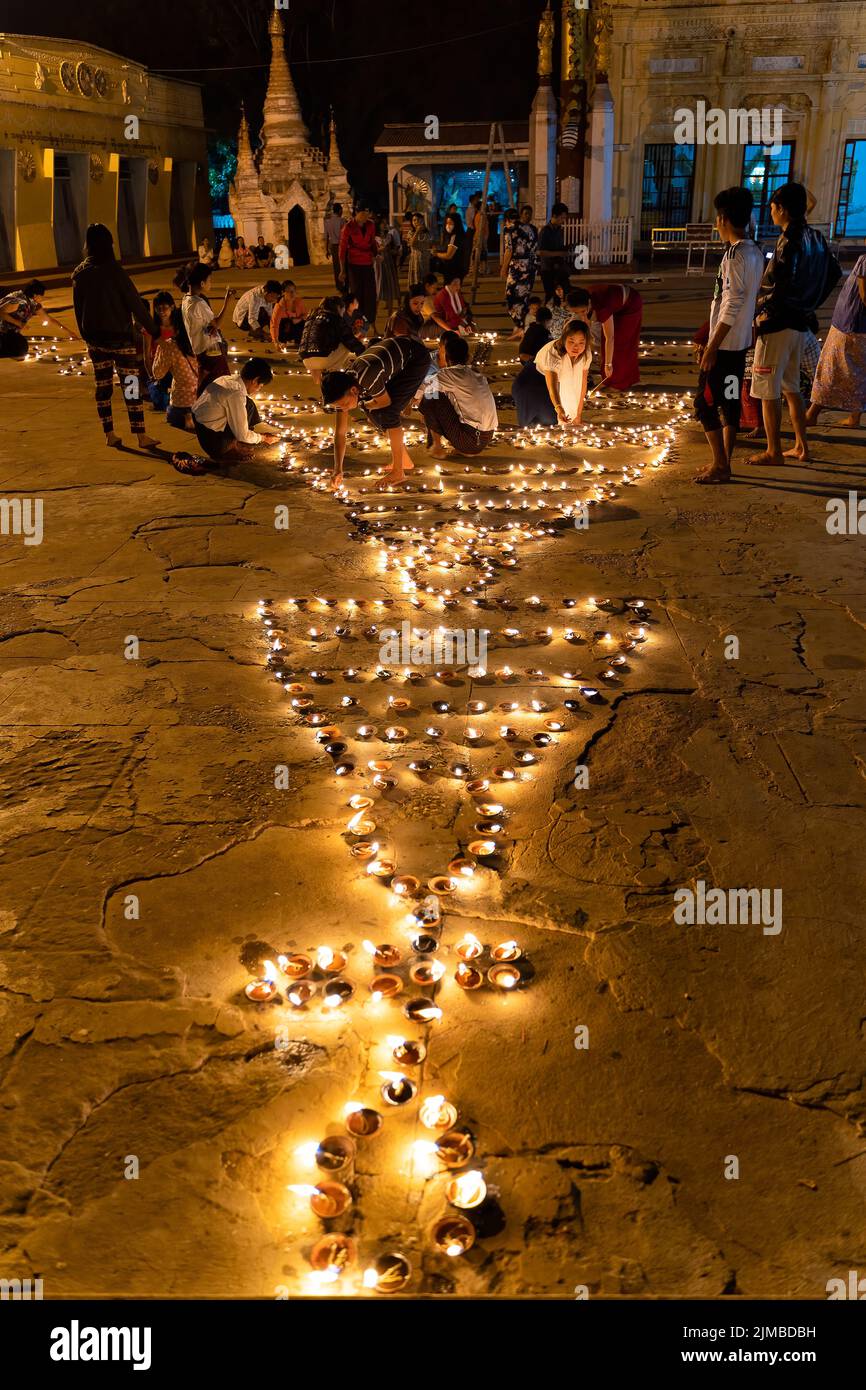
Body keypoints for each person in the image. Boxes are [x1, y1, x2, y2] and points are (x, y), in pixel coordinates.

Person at [747, 181, 841, 466]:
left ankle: (773, 450)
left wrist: (760, 307)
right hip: (799, 323)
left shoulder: (790, 241)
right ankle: (802, 446)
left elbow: (781, 284)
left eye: (773, 208)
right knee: (790, 386)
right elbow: (834, 273)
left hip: (777, 324)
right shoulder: (816, 236)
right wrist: (810, 303)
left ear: (783, 209)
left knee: (767, 389)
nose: (771, 213)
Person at [693, 186, 766, 484]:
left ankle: (720, 464)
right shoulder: (755, 251)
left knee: (705, 403)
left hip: (724, 346)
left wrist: (712, 346)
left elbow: (732, 304)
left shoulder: (735, 256)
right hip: (739, 344)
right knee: (730, 400)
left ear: (723, 218)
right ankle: (723, 462)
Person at [71, 222, 159, 449]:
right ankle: (140, 436)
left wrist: (86, 335)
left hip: (96, 341)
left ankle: (109, 434)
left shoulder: (80, 274)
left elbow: (77, 308)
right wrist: (153, 329)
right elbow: (136, 305)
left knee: (103, 388)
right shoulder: (115, 271)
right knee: (130, 386)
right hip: (121, 340)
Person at [321, 335, 432, 488]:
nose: (344, 408)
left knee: (388, 412)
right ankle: (404, 460)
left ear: (353, 390)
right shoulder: (344, 387)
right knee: (374, 412)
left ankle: (398, 472)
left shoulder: (367, 376)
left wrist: (367, 405)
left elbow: (385, 402)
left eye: (345, 404)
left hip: (415, 359)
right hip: (394, 361)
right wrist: (337, 469)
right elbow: (340, 433)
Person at [806, 253, 866, 430]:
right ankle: (854, 417)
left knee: (831, 370)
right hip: (853, 323)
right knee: (860, 372)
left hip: (849, 324)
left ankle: (812, 414)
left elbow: (865, 296)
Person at [418, 330, 497, 457]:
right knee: (439, 394)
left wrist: (410, 404)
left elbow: (422, 390)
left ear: (447, 358)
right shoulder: (476, 373)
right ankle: (462, 448)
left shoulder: (448, 374)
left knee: (430, 398)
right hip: (486, 437)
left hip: (470, 440)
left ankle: (436, 447)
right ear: (468, 357)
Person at [192, 356, 281, 462]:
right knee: (244, 417)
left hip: (201, 426)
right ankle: (229, 449)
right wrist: (263, 438)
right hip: (213, 441)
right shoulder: (235, 393)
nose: (258, 390)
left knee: (249, 404)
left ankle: (237, 443)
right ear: (255, 380)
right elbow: (242, 435)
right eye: (260, 386)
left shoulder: (227, 379)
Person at [566, 283, 643, 390]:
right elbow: (578, 320)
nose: (582, 315)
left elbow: (610, 338)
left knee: (620, 344)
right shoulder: (583, 297)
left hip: (631, 304)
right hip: (615, 305)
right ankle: (607, 380)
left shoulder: (602, 306)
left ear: (589, 302)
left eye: (583, 311)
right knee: (604, 343)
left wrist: (608, 364)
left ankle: (620, 382)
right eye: (577, 312)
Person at [181, 264, 234, 391]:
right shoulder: (198, 303)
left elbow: (204, 325)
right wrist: (227, 302)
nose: (211, 283)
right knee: (222, 386)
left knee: (208, 385)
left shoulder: (186, 300)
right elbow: (216, 323)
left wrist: (210, 327)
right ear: (202, 283)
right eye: (209, 280)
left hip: (200, 350)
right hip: (211, 351)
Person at [535, 318, 592, 427]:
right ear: (564, 339)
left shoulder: (585, 353)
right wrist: (559, 409)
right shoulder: (553, 354)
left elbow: (582, 383)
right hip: (536, 381)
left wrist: (578, 415)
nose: (576, 347)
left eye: (581, 342)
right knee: (546, 421)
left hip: (557, 383)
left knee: (568, 420)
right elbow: (552, 386)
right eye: (571, 341)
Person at [0, 279, 77, 358]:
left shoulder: (33, 304)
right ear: (35, 295)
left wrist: (68, 332)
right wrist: (18, 323)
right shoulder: (19, 301)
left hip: (10, 333)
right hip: (2, 332)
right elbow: (1, 312)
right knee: (19, 349)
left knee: (21, 348)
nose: (42, 298)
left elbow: (48, 319)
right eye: (41, 296)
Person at [152, 307, 199, 431]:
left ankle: (187, 414)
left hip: (182, 402)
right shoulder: (203, 341)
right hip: (206, 399)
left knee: (157, 392)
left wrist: (159, 350)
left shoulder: (169, 345)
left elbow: (158, 374)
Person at [298, 295, 365, 382]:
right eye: (343, 310)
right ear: (338, 308)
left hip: (305, 359)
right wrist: (364, 354)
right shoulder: (335, 318)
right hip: (322, 359)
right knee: (346, 344)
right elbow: (350, 340)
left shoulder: (311, 317)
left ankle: (319, 381)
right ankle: (332, 374)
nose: (342, 313)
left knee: (315, 344)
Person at [512, 306, 556, 426]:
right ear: (548, 320)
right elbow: (523, 354)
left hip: (532, 375)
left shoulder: (534, 330)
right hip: (535, 372)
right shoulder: (538, 332)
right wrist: (538, 362)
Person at [501, 205, 539, 330]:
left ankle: (521, 325)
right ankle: (524, 325)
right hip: (531, 267)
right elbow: (534, 249)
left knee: (511, 297)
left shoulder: (510, 229)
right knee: (523, 298)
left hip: (517, 268)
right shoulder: (532, 229)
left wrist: (503, 268)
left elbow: (509, 250)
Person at [339, 207, 378, 328]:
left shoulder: (370, 225)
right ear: (356, 213)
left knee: (370, 296)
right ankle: (357, 325)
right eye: (363, 214)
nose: (366, 218)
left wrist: (376, 255)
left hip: (367, 264)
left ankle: (371, 324)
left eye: (367, 214)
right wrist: (342, 270)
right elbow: (342, 250)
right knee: (357, 296)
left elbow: (372, 243)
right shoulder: (348, 227)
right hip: (354, 265)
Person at [143, 291, 176, 409]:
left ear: (172, 307)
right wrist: (151, 376)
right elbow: (146, 355)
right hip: (159, 370)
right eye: (158, 308)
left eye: (165, 308)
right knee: (161, 403)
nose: (162, 311)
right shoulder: (151, 329)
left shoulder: (178, 327)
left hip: (176, 369)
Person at [538, 202, 570, 301]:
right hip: (548, 269)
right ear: (554, 216)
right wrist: (559, 253)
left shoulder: (559, 230)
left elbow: (558, 248)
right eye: (562, 218)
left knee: (561, 295)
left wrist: (567, 248)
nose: (563, 221)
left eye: (564, 218)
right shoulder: (545, 231)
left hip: (559, 268)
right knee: (550, 296)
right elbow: (541, 252)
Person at [375, 215, 401, 316]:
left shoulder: (389, 236)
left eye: (385, 223)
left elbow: (394, 249)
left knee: (390, 285)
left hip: (389, 262)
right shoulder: (374, 238)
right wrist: (379, 250)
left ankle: (390, 313)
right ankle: (375, 313)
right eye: (383, 223)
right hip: (379, 263)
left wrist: (393, 251)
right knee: (379, 286)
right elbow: (372, 251)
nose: (385, 225)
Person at [270, 280, 308, 345]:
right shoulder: (279, 306)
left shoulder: (299, 301)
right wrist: (276, 341)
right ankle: (282, 342)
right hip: (283, 332)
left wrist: (299, 319)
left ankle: (299, 342)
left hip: (295, 329)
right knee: (286, 322)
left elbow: (306, 315)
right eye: (289, 291)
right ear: (283, 293)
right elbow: (274, 324)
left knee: (303, 323)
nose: (292, 293)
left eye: (293, 291)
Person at [431, 213, 468, 278]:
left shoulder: (455, 237)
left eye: (451, 223)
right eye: (447, 223)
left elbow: (449, 255)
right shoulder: (454, 236)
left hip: (454, 269)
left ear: (456, 224)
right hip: (456, 269)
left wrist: (436, 254)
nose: (448, 225)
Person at [324, 202, 347, 287]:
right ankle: (345, 284)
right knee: (343, 266)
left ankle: (339, 285)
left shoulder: (327, 221)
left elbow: (326, 237)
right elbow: (346, 235)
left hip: (333, 246)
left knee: (336, 266)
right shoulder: (342, 220)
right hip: (342, 245)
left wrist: (326, 250)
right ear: (340, 210)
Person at [408, 213, 432, 285]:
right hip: (415, 259)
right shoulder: (411, 232)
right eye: (414, 220)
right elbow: (412, 244)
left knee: (425, 278)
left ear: (422, 221)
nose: (415, 222)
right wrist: (417, 231)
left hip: (425, 258)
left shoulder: (427, 232)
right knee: (416, 279)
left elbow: (430, 244)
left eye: (418, 220)